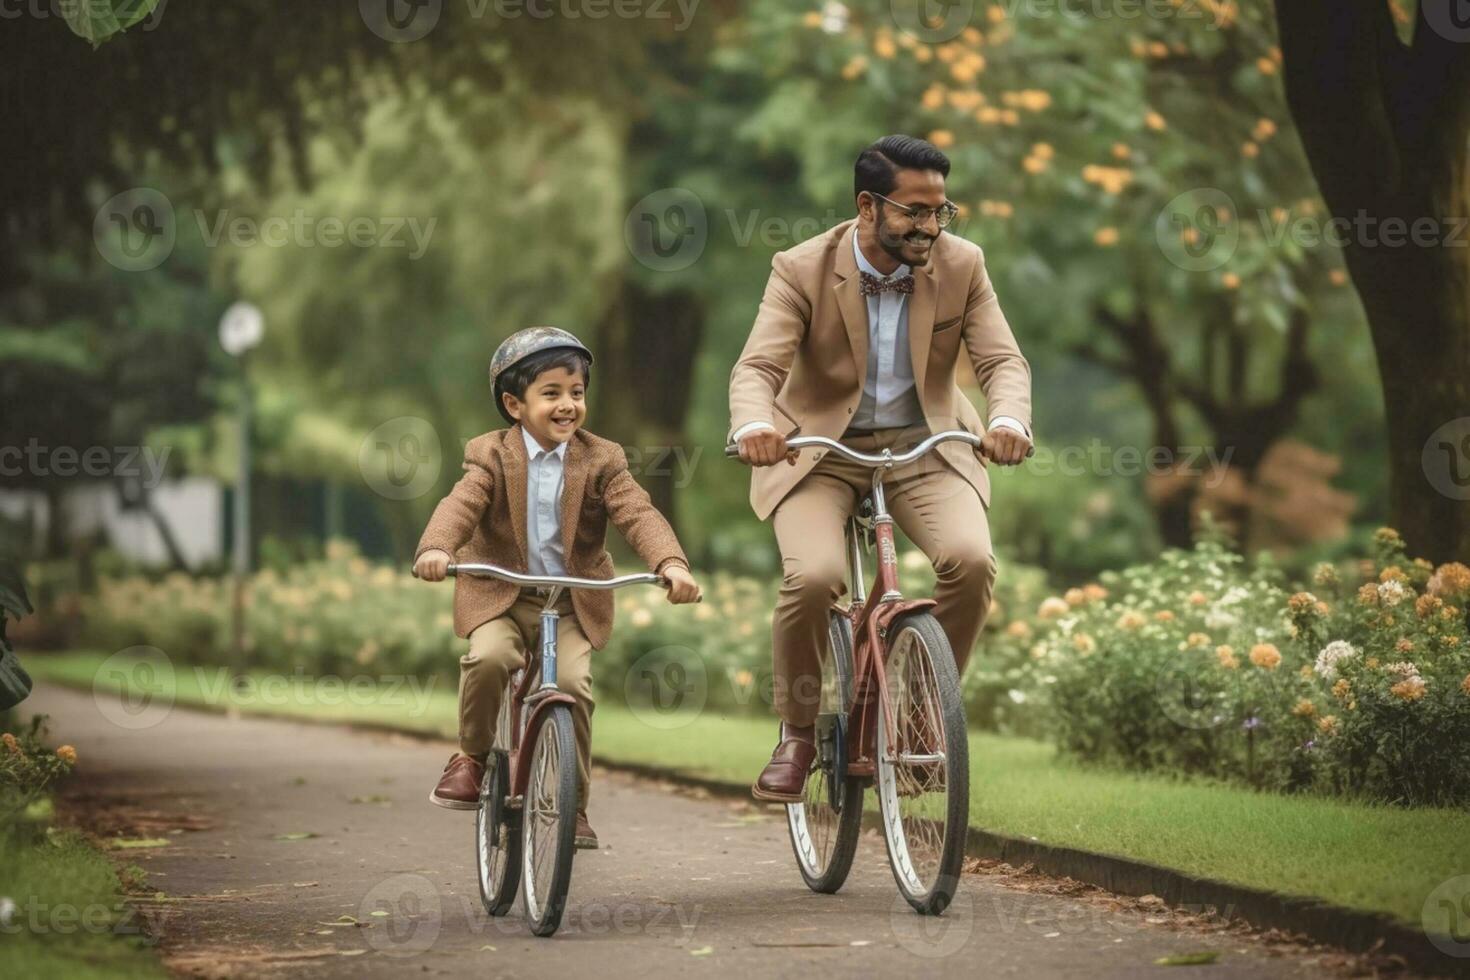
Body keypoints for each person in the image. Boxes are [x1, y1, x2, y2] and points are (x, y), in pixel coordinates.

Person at [728, 135, 1033, 802]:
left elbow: (1001, 362)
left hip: (926, 447)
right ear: (867, 207)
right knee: (814, 579)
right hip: (819, 453)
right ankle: (798, 733)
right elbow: (757, 369)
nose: (930, 227)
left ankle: (924, 717)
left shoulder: (963, 264)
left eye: (940, 211)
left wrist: (1008, 418)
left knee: (972, 561)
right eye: (914, 212)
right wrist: (755, 425)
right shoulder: (801, 267)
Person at [415, 326, 702, 848]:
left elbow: (637, 512)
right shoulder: (490, 455)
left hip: (568, 600)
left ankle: (574, 808)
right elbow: (462, 503)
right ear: (514, 404)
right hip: (500, 595)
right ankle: (472, 757)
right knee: (491, 659)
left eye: (577, 393)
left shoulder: (602, 458)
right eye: (551, 394)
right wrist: (437, 548)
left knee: (572, 687)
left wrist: (671, 563)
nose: (568, 405)